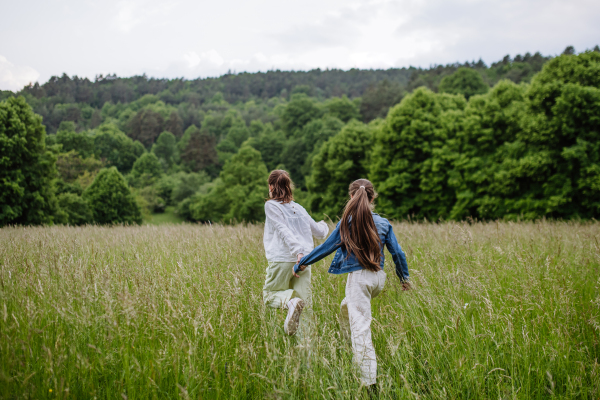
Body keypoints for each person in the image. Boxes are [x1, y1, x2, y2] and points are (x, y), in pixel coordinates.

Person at [294, 178, 410, 391]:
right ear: (373, 197)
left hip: (359, 279)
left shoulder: (347, 221)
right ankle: (352, 350)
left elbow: (326, 248)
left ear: (351, 196)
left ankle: (369, 384)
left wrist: (301, 263)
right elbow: (398, 253)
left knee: (361, 329)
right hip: (378, 279)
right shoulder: (383, 223)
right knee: (346, 308)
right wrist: (404, 279)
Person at [263, 169, 329, 337]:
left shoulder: (271, 205)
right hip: (305, 262)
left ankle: (291, 302)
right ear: (289, 186)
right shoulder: (299, 208)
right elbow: (320, 233)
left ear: (271, 186)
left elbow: (283, 230)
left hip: (283, 259)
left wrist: (297, 251)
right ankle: (305, 353)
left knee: (270, 296)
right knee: (305, 306)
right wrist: (325, 224)